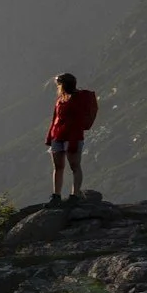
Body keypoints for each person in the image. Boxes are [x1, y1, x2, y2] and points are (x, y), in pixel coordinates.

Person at [46, 72, 97, 201]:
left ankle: (75, 194)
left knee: (74, 165)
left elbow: (77, 120)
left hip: (72, 136)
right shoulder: (60, 99)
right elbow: (55, 118)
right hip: (58, 136)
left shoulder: (78, 99)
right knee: (58, 167)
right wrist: (50, 136)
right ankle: (56, 195)